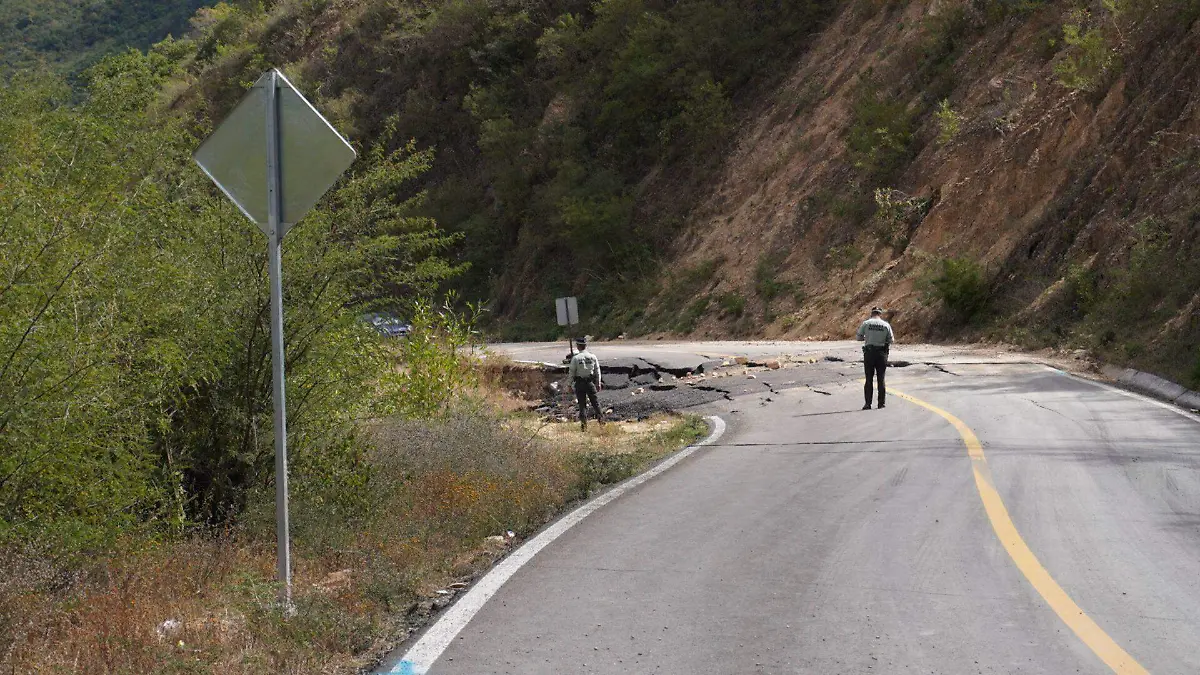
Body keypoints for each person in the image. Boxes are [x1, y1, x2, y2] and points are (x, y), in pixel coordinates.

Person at [856, 307, 894, 410]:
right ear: (880, 314)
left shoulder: (866, 323)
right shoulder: (886, 325)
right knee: (881, 378)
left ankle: (868, 404)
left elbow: (858, 337)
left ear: (871, 313)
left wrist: (868, 337)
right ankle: (881, 404)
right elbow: (891, 340)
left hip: (869, 353)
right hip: (881, 353)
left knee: (869, 379)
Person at [568, 337, 604, 430]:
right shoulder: (592, 357)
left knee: (582, 405)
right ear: (585, 345)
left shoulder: (575, 358)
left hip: (579, 383)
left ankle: (584, 427)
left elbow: (571, 372)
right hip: (590, 382)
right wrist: (598, 383)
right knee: (595, 403)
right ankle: (602, 423)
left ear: (578, 346)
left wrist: (569, 384)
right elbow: (597, 371)